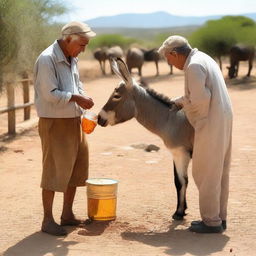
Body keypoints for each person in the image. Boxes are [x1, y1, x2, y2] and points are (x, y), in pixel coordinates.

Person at [158, 35, 233, 233]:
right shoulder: (203, 58)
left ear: (174, 53)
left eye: (169, 59)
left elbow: (201, 101)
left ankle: (211, 222)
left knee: (206, 172)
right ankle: (219, 217)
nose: (170, 64)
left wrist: (184, 107)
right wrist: (178, 101)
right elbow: (199, 95)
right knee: (219, 171)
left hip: (210, 121)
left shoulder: (192, 66)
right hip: (223, 117)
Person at [33, 21, 96, 236]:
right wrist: (77, 97)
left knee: (76, 168)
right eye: (82, 45)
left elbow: (77, 85)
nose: (83, 50)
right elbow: (50, 94)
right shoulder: (47, 59)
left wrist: (83, 102)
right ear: (69, 39)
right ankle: (47, 220)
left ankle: (67, 214)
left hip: (73, 120)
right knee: (53, 169)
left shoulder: (72, 58)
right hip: (54, 122)